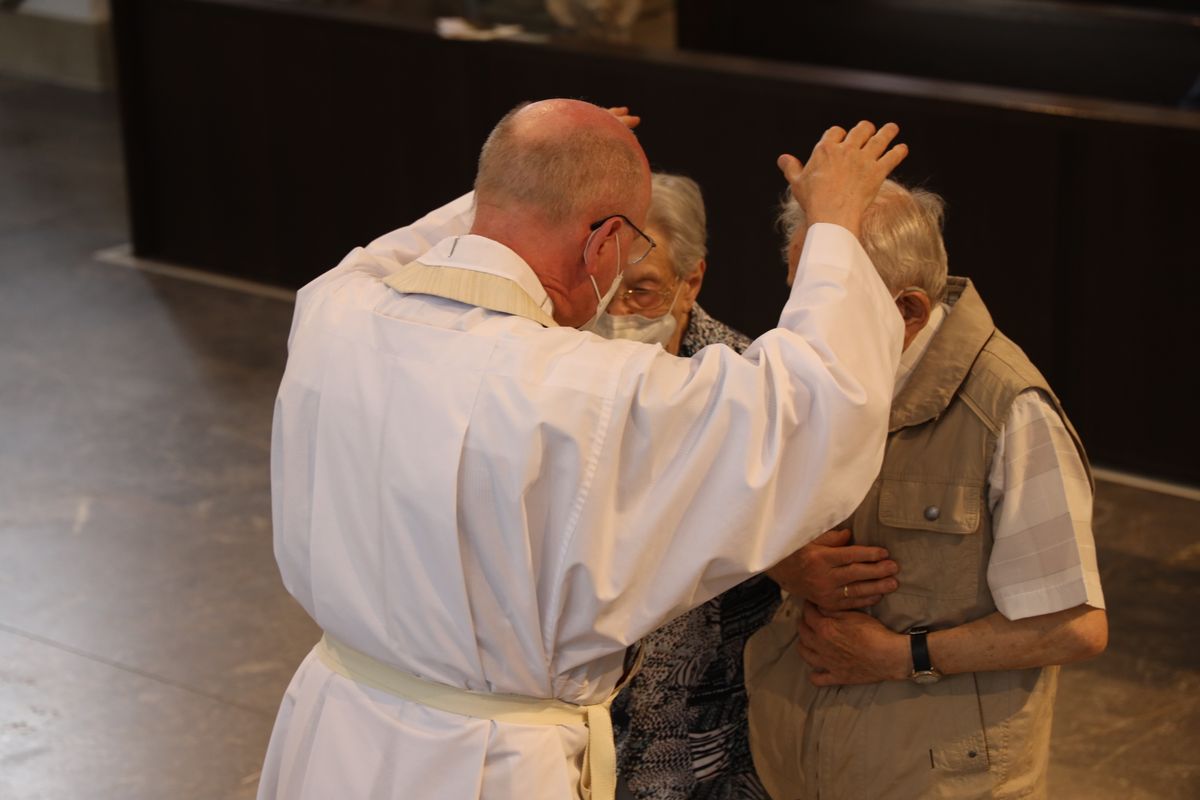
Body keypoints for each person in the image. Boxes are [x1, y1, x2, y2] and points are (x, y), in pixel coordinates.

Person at [258, 99, 909, 800]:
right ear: (600, 244)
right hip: (482, 766)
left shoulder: (334, 310)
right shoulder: (587, 391)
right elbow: (809, 409)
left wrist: (552, 163)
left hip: (333, 725)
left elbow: (426, 241)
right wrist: (835, 224)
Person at [745, 179, 1108, 800]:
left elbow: (1074, 626)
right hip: (792, 763)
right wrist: (786, 563)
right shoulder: (795, 371)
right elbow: (719, 514)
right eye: (797, 297)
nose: (797, 332)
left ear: (908, 310)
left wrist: (902, 657)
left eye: (824, 305)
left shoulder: (1011, 412)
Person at [598, 172, 774, 799]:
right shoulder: (561, 366)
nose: (616, 313)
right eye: (606, 289)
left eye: (642, 291)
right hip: (579, 715)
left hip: (704, 735)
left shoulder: (748, 383)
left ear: (691, 279)